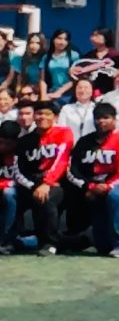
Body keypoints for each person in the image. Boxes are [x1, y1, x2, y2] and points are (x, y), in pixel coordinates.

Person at [66, 102, 119, 258]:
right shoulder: (84, 142)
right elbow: (72, 169)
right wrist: (89, 187)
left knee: (116, 196)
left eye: (106, 118)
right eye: (98, 118)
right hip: (94, 189)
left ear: (114, 120)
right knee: (103, 247)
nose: (101, 121)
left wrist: (107, 187)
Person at [6, 101, 71, 254]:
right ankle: (9, 241)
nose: (42, 117)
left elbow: (61, 160)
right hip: (31, 184)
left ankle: (49, 243)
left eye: (47, 114)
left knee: (45, 199)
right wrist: (34, 186)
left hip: (56, 183)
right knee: (9, 196)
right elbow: (17, 171)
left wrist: (47, 183)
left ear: (55, 117)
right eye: (39, 113)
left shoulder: (64, 133)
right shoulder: (24, 141)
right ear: (34, 117)